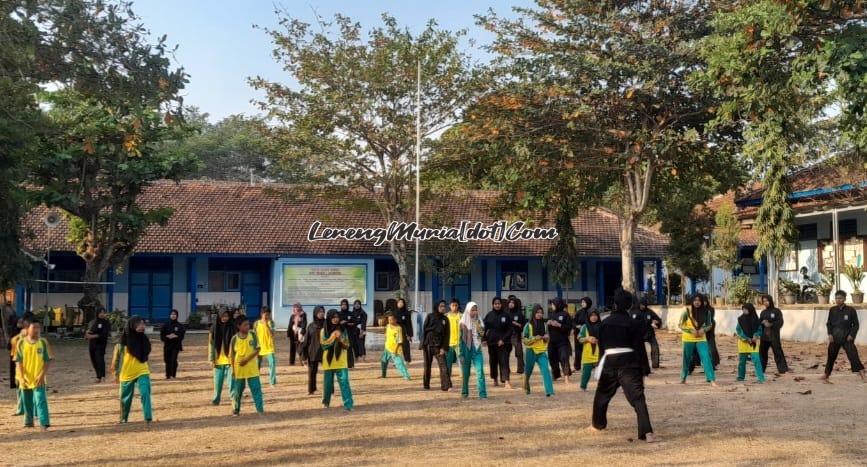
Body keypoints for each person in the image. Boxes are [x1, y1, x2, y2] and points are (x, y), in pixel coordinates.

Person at [590, 288, 655, 443]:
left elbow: (602, 347)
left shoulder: (604, 323)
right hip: (629, 363)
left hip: (610, 362)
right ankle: (647, 433)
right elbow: (639, 348)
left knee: (601, 396)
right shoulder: (634, 324)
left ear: (614, 304)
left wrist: (599, 365)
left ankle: (597, 425)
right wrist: (644, 370)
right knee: (638, 398)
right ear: (629, 305)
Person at [111, 316, 152, 424]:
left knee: (145, 392)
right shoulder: (121, 344)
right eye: (139, 324)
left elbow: (146, 353)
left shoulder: (144, 339)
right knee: (125, 398)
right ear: (132, 325)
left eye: (143, 324)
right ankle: (123, 418)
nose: (142, 326)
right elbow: (115, 360)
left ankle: (148, 417)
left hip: (142, 370)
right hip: (126, 373)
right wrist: (115, 373)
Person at [822, 290, 866, 382]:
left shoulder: (851, 310)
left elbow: (856, 325)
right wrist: (830, 334)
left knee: (853, 355)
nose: (838, 300)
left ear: (844, 299)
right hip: (834, 338)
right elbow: (829, 323)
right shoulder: (832, 310)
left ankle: (862, 374)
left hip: (847, 338)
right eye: (836, 298)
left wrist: (852, 335)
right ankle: (826, 374)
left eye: (840, 298)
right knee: (831, 356)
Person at [15, 321, 52, 430]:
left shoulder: (42, 342)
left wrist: (41, 376)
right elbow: (19, 362)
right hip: (25, 378)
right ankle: (28, 422)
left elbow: (47, 361)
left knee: (40, 399)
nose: (36, 330)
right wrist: (21, 377)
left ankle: (44, 423)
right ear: (27, 328)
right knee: (27, 402)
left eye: (38, 328)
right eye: (34, 327)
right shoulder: (21, 343)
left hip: (38, 378)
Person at [678, 294, 717, 385]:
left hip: (701, 338)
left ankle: (711, 379)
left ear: (702, 301)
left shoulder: (707, 312)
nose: (697, 302)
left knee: (706, 357)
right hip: (688, 338)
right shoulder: (687, 311)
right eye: (695, 300)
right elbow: (680, 324)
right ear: (692, 301)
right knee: (686, 358)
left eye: (699, 300)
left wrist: (704, 329)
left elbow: (709, 324)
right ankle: (683, 378)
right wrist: (690, 330)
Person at [230, 316, 264, 416]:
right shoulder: (234, 339)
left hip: (252, 368)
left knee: (256, 389)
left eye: (248, 324)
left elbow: (258, 349)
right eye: (245, 325)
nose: (248, 326)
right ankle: (236, 410)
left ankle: (260, 410)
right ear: (238, 326)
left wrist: (247, 359)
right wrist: (233, 370)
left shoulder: (253, 335)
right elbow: (232, 356)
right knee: (237, 391)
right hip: (239, 369)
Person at [321, 309, 353, 410]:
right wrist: (333, 336)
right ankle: (326, 402)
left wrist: (340, 338)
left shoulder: (343, 330)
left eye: (337, 317)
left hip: (341, 361)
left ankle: (348, 404)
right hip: (328, 362)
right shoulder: (323, 330)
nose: (335, 319)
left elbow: (347, 345)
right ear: (329, 318)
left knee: (344, 383)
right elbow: (323, 345)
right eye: (333, 317)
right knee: (327, 385)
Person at [522, 304, 553, 396]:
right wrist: (534, 338)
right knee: (528, 371)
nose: (539, 314)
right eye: (537, 312)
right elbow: (524, 340)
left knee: (546, 370)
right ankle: (526, 387)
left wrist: (546, 337)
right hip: (530, 351)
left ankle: (549, 391)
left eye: (541, 313)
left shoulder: (544, 324)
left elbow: (547, 337)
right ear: (533, 313)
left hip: (542, 351)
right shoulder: (528, 325)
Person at [483, 296, 513, 388]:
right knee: (493, 362)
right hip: (491, 343)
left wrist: (503, 340)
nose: (497, 305)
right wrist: (484, 339)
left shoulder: (506, 315)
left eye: (499, 304)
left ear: (501, 304)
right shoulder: (489, 315)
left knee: (504, 361)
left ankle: (507, 381)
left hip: (503, 343)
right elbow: (484, 328)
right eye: (495, 304)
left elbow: (510, 330)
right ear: (493, 305)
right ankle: (495, 379)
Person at [459, 301, 487, 399]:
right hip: (466, 349)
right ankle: (464, 392)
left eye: (476, 310)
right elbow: (460, 340)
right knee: (466, 372)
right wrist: (461, 353)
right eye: (472, 310)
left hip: (477, 348)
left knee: (480, 371)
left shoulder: (479, 321)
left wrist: (477, 324)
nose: (474, 312)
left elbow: (482, 334)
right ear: (468, 310)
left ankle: (482, 394)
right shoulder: (462, 323)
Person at [422, 300, 451, 391]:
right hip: (428, 344)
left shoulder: (445, 319)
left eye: (444, 306)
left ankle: (446, 386)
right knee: (427, 366)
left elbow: (447, 335)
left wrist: (444, 347)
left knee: (443, 365)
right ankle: (426, 385)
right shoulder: (430, 316)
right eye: (441, 306)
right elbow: (424, 330)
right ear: (436, 307)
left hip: (439, 345)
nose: (443, 308)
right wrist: (423, 344)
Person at [209, 310, 235, 405]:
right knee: (217, 383)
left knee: (232, 382)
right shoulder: (213, 328)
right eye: (223, 316)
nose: (225, 318)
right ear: (219, 316)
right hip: (218, 361)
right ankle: (216, 399)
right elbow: (211, 344)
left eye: (226, 316)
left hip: (230, 361)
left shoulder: (233, 327)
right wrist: (211, 358)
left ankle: (234, 399)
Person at [759, 294, 790, 374]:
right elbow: (758, 324)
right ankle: (761, 369)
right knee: (762, 354)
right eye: (764, 301)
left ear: (770, 300)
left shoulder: (776, 311)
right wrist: (762, 323)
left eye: (767, 300)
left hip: (774, 336)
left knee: (778, 353)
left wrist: (771, 324)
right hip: (764, 337)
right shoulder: (763, 313)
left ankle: (783, 369)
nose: (765, 302)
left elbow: (780, 322)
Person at [736, 304, 765, 383]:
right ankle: (741, 377)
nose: (744, 311)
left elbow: (759, 330)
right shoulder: (740, 319)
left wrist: (756, 336)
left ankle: (761, 378)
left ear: (751, 310)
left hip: (753, 343)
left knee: (756, 360)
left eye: (746, 309)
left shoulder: (756, 320)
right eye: (743, 309)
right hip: (743, 343)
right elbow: (738, 331)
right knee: (742, 361)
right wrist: (746, 338)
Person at [547, 297, 573, 383]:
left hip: (562, 341)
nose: (552, 306)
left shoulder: (565, 314)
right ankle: (556, 375)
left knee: (564, 358)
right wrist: (549, 323)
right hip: (552, 341)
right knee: (552, 358)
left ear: (558, 304)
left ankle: (566, 377)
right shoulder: (551, 314)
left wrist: (559, 325)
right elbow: (548, 328)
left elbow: (569, 327)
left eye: (553, 304)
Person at [633, 298, 662, 370]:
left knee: (655, 347)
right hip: (638, 334)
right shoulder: (633, 312)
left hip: (649, 333)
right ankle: (636, 365)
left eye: (645, 305)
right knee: (636, 350)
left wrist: (657, 323)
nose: (643, 306)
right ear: (639, 304)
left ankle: (655, 365)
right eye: (642, 305)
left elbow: (658, 320)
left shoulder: (649, 312)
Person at [302, 306, 325, 395]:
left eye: (323, 311)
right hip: (313, 352)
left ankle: (330, 390)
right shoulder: (311, 326)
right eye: (319, 312)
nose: (321, 313)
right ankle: (311, 389)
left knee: (328, 372)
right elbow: (306, 341)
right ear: (315, 313)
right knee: (312, 372)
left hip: (325, 352)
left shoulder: (327, 324)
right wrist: (304, 356)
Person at [381, 312, 411, 380]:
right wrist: (385, 344)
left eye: (392, 320)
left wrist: (395, 350)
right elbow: (386, 335)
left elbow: (400, 341)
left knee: (399, 363)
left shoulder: (398, 328)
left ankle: (406, 376)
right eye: (389, 320)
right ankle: (383, 374)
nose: (390, 321)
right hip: (387, 348)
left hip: (395, 349)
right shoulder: (388, 326)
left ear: (395, 320)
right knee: (383, 362)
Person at [85, 307, 111, 382]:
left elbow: (104, 334)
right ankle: (98, 376)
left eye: (103, 312)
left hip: (100, 344)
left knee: (100, 359)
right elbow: (89, 331)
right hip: (92, 344)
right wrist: (87, 335)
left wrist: (92, 336)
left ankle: (102, 376)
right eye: (100, 312)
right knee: (94, 360)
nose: (102, 314)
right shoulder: (93, 322)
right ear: (97, 313)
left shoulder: (106, 322)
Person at [578, 310, 602, 391]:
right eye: (591, 315)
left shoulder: (602, 326)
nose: (594, 317)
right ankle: (583, 387)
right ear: (588, 317)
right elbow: (579, 339)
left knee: (601, 372)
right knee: (586, 373)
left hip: (599, 353)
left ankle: (602, 388)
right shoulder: (584, 327)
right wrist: (587, 338)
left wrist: (599, 340)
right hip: (588, 354)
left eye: (595, 315)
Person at [9, 316, 28, 416]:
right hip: (16, 364)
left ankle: (26, 408)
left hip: (26, 364)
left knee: (26, 387)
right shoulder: (15, 336)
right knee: (19, 386)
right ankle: (21, 408)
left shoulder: (27, 335)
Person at [159, 309, 185, 380]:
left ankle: (173, 375)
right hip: (167, 345)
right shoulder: (165, 325)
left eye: (174, 314)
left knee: (173, 359)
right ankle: (168, 375)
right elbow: (162, 336)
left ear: (177, 316)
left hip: (176, 345)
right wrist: (167, 337)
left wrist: (176, 336)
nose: (173, 316)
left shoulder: (180, 326)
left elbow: (182, 336)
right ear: (170, 315)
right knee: (167, 360)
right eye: (172, 314)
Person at [254, 307, 277, 386]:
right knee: (257, 365)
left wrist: (267, 325)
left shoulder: (272, 323)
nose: (267, 316)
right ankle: (255, 380)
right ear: (261, 314)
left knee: (272, 364)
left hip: (270, 347)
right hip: (259, 347)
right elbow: (254, 335)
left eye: (268, 315)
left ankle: (272, 382)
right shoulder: (256, 323)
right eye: (265, 315)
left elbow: (272, 334)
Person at [573, 297, 592, 372]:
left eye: (584, 302)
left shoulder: (591, 312)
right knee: (578, 350)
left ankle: (591, 364)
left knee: (589, 349)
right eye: (582, 302)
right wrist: (576, 326)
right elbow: (573, 322)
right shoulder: (579, 312)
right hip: (579, 333)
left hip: (589, 333)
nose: (582, 303)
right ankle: (577, 366)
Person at [508, 296, 526, 375]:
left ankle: (520, 369)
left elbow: (524, 326)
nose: (511, 304)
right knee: (505, 353)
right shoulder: (506, 313)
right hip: (507, 335)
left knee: (519, 352)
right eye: (510, 302)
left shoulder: (519, 314)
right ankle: (506, 369)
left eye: (512, 303)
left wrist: (518, 324)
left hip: (516, 335)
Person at [338, 299, 357, 369]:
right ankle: (341, 363)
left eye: (345, 304)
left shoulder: (351, 313)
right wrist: (342, 323)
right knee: (341, 348)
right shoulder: (338, 314)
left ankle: (350, 364)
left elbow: (354, 322)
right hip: (341, 334)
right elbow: (337, 323)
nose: (344, 306)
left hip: (349, 333)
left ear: (347, 305)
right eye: (342, 304)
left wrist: (346, 323)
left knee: (349, 348)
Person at [445, 298, 461, 381]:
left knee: (461, 360)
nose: (454, 307)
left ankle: (463, 374)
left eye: (456, 305)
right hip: (449, 343)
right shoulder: (446, 316)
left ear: (458, 306)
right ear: (450, 306)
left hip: (459, 342)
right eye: (453, 305)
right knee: (448, 362)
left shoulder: (461, 316)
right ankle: (448, 376)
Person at [394, 298, 413, 363]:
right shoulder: (394, 312)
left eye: (402, 302)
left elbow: (409, 324)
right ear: (397, 303)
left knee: (405, 346)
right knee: (396, 346)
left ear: (404, 304)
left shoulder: (407, 313)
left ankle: (407, 360)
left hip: (404, 331)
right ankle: (396, 360)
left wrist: (409, 334)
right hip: (396, 331)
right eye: (399, 302)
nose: (400, 303)